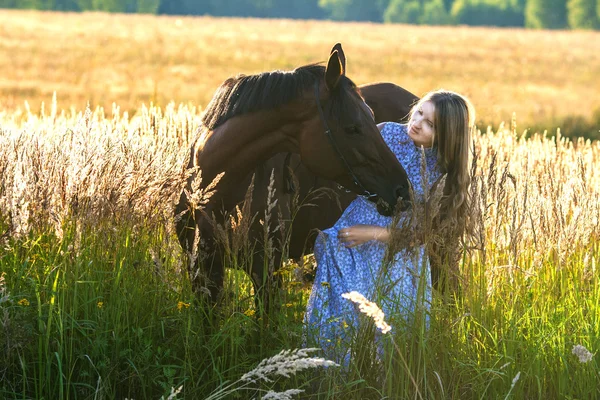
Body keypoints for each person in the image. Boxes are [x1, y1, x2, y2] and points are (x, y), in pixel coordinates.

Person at [304, 89, 475, 363]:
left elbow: (426, 234)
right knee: (337, 322)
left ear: (448, 136)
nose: (417, 123)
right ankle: (329, 380)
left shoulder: (444, 172)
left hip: (397, 257)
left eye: (431, 124)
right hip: (352, 245)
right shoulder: (385, 133)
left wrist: (373, 233)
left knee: (388, 335)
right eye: (419, 112)